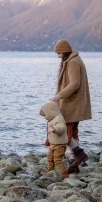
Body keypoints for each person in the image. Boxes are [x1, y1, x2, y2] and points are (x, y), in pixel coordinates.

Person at [48, 39, 91, 174]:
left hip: (72, 102)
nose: (58, 56)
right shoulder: (73, 60)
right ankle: (75, 161)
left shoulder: (72, 62)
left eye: (59, 53)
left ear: (64, 51)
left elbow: (74, 84)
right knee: (73, 131)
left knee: (64, 131)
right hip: (75, 102)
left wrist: (59, 95)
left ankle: (79, 154)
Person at [40, 102, 69, 179]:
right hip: (53, 143)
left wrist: (54, 129)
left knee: (57, 159)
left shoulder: (59, 119)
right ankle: (50, 171)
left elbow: (61, 128)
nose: (45, 117)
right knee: (50, 157)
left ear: (51, 112)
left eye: (45, 115)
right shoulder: (52, 118)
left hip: (60, 144)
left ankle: (64, 173)